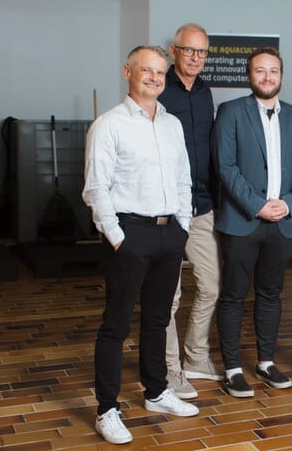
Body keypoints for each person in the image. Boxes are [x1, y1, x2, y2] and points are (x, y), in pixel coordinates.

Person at [83, 45, 199, 445]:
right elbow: (96, 189)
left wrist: (182, 226)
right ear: (127, 71)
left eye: (160, 72)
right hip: (131, 235)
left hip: (170, 234)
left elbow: (184, 179)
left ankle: (156, 392)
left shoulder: (172, 124)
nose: (154, 78)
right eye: (146, 71)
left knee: (158, 319)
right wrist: (117, 238)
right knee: (116, 325)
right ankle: (107, 409)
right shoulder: (108, 124)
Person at [212, 47, 292, 398]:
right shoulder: (230, 112)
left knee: (271, 294)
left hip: (283, 222)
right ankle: (233, 368)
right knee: (234, 296)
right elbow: (224, 167)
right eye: (260, 71)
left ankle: (266, 362)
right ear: (249, 75)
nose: (267, 77)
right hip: (242, 221)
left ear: (281, 75)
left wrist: (289, 204)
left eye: (273, 71)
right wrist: (257, 205)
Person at [159, 23, 223, 400]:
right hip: (168, 208)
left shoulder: (204, 92)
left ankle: (196, 356)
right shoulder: (158, 89)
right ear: (174, 51)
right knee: (169, 297)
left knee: (212, 286)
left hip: (202, 206)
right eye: (189, 50)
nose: (196, 58)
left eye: (202, 52)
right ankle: (170, 370)